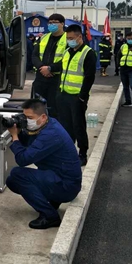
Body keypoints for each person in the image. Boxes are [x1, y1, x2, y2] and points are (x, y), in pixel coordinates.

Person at [5, 98, 82, 229]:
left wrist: (15, 137)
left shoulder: (51, 134)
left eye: (29, 117)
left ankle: (50, 216)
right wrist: (19, 129)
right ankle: (53, 201)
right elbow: (30, 142)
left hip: (66, 186)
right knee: (11, 181)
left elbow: (23, 160)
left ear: (43, 117)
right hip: (58, 177)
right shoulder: (47, 124)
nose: (27, 120)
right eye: (25, 116)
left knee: (17, 174)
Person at [52, 24, 97, 167]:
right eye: (67, 38)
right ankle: (68, 151)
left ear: (79, 37)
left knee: (78, 126)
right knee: (66, 126)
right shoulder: (67, 51)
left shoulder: (88, 53)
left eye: (71, 38)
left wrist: (82, 97)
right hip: (63, 95)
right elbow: (60, 68)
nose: (69, 40)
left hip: (77, 97)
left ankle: (82, 153)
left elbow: (89, 77)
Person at [31, 14, 67, 118]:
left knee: (54, 110)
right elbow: (34, 56)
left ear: (62, 24)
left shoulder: (67, 39)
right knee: (37, 108)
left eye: (55, 22)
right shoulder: (43, 38)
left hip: (56, 80)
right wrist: (42, 68)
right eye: (50, 22)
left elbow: (67, 60)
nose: (51, 25)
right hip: (40, 79)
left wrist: (51, 68)